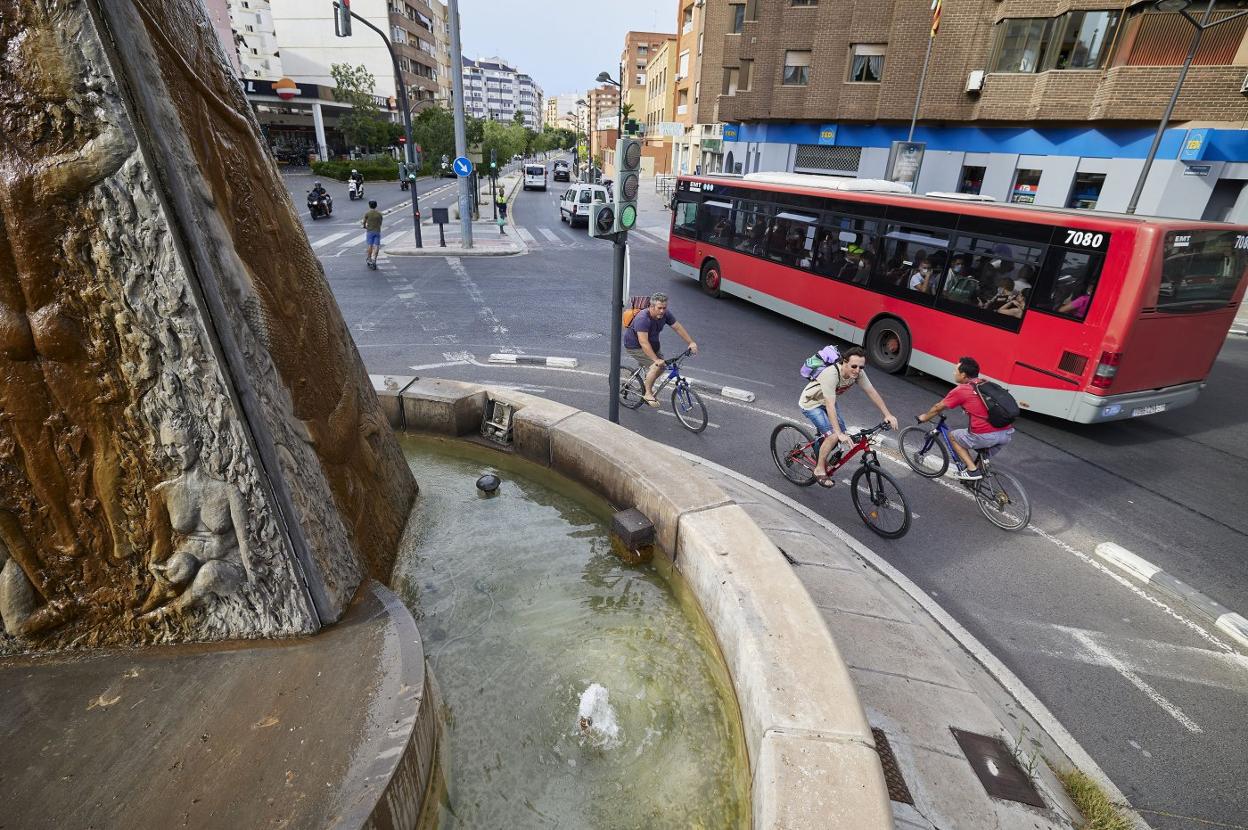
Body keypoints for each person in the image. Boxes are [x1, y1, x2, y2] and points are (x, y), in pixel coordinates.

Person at [798, 347, 898, 487]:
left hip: (827, 401)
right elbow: (830, 405)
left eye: (861, 367)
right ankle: (819, 469)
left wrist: (887, 414)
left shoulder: (858, 373)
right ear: (844, 362)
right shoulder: (831, 374)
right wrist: (837, 433)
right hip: (812, 403)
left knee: (840, 433)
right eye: (854, 366)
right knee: (834, 435)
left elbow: (871, 392)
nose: (857, 370)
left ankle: (818, 452)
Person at [916, 356, 1013, 480]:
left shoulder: (962, 390)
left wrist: (924, 417)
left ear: (963, 375)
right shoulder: (984, 383)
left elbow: (938, 407)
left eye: (955, 370)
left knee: (953, 436)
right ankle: (978, 477)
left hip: (986, 435)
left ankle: (972, 471)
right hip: (1005, 433)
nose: (953, 373)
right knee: (982, 458)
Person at [623, 292, 698, 407]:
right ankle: (647, 393)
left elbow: (677, 327)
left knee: (661, 367)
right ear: (652, 307)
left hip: (653, 344)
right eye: (659, 308)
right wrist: (655, 360)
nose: (662, 311)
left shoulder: (665, 314)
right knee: (655, 366)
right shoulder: (643, 319)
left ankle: (647, 380)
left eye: (664, 308)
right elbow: (643, 342)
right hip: (635, 346)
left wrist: (691, 342)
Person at [362, 199, 383, 267]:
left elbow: (364, 222)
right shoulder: (379, 214)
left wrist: (365, 226)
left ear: (369, 206)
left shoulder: (367, 213)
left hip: (370, 231)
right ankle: (374, 259)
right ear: (376, 206)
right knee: (376, 246)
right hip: (377, 231)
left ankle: (369, 258)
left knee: (370, 245)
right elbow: (380, 222)